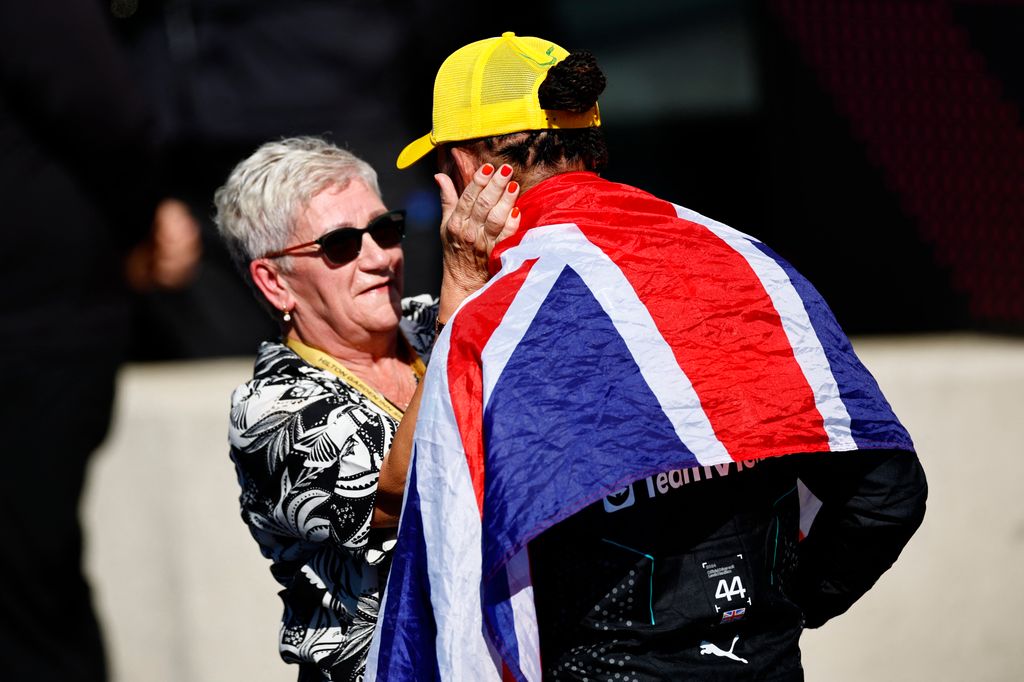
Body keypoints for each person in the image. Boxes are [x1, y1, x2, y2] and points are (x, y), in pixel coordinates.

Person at [368, 33, 928, 681]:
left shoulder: (495, 325)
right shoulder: (752, 264)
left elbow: (414, 502)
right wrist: (785, 609)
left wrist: (460, 289)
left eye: (438, 165)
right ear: (589, 142)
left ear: (469, 169)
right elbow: (885, 494)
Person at [213, 136, 519, 681]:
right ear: (274, 281)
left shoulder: (438, 319)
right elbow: (399, 490)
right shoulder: (268, 410)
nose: (380, 257)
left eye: (384, 229)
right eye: (340, 244)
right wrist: (463, 303)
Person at [0, 2, 200, 680]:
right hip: (38, 315)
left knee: (26, 583)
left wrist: (144, 219)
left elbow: (104, 116)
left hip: (36, 324)